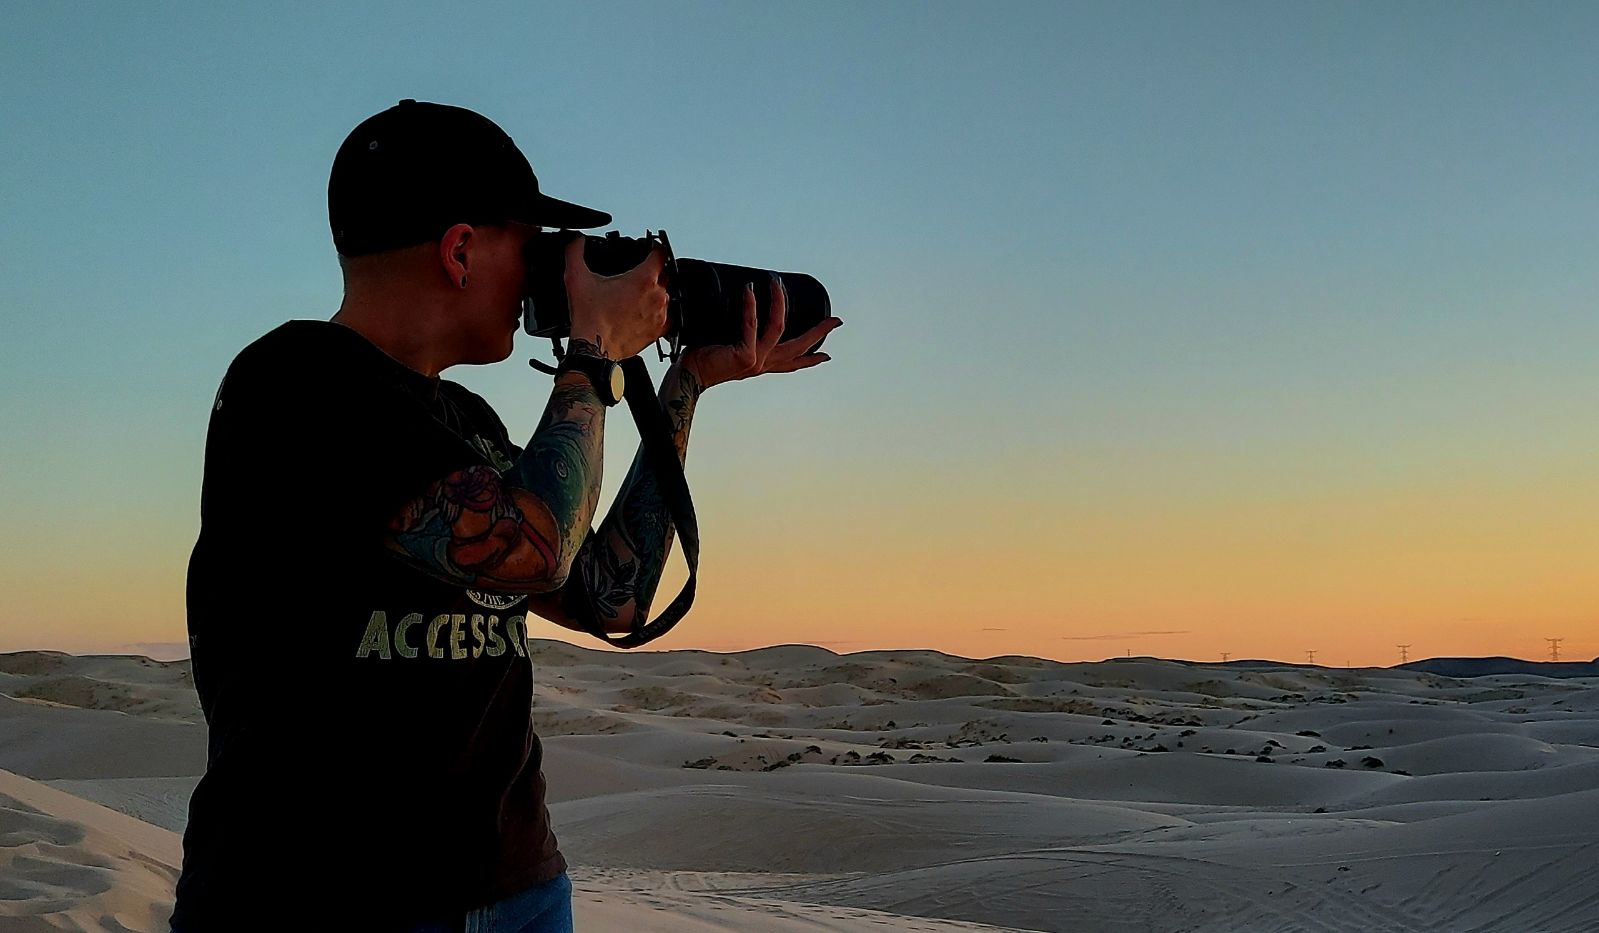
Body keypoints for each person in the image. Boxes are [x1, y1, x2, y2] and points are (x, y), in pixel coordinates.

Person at [168, 99, 842, 933]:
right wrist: (594, 350)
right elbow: (534, 549)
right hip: (320, 898)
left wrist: (685, 382)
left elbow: (610, 596)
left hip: (514, 888)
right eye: (536, 248)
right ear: (459, 249)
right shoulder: (297, 383)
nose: (550, 278)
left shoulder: (467, 422)